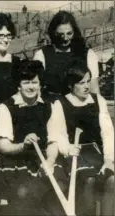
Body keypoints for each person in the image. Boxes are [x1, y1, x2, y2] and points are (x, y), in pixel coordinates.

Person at [0, 60, 70, 215]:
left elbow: (53, 139)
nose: (31, 87)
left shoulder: (51, 105)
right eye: (26, 82)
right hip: (17, 161)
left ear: (40, 83)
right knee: (23, 192)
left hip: (45, 158)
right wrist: (24, 144)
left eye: (34, 82)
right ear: (18, 84)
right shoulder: (6, 107)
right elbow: (4, 146)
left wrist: (50, 161)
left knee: (59, 187)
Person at [53, 64, 114, 216]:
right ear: (70, 85)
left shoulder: (97, 100)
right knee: (89, 180)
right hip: (73, 154)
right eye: (81, 83)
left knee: (112, 180)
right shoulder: (61, 103)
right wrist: (67, 149)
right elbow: (59, 134)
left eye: (88, 81)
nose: (86, 86)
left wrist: (109, 159)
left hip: (96, 153)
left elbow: (107, 132)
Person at [33, 11, 100, 102]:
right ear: (53, 33)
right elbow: (36, 90)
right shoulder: (41, 55)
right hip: (52, 107)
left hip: (79, 108)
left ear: (75, 32)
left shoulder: (88, 54)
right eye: (60, 34)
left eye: (69, 33)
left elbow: (94, 89)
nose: (65, 38)